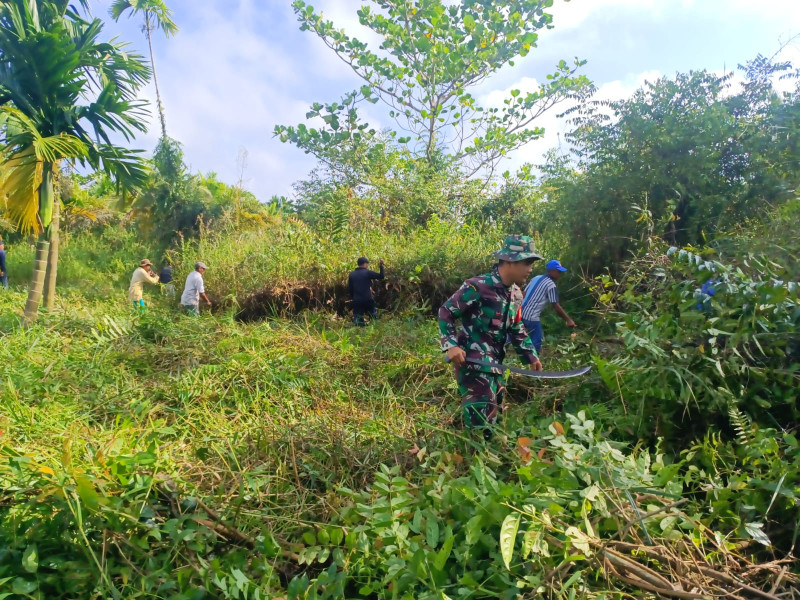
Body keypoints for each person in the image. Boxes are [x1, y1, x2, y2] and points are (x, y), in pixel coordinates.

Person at [439, 235, 543, 438]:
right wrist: (451, 345)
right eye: (527, 262)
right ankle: (475, 463)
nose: (531, 269)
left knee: (494, 414)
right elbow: (446, 312)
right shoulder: (478, 287)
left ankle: (483, 457)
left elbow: (516, 326)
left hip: (496, 365)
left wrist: (530, 355)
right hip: (472, 364)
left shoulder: (516, 294)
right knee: (481, 421)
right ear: (509, 261)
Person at [520, 259, 577, 354]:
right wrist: (568, 320)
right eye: (558, 271)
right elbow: (556, 305)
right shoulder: (551, 285)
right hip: (531, 317)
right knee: (537, 340)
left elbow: (524, 294)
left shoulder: (536, 278)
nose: (559, 274)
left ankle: (501, 348)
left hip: (520, 312)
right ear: (551, 271)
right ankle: (533, 361)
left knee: (513, 334)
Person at [348, 256, 384, 326]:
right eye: (367, 263)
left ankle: (360, 333)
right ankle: (375, 331)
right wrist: (381, 265)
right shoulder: (368, 273)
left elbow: (350, 288)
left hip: (357, 300)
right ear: (365, 264)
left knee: (358, 321)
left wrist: (354, 297)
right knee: (373, 317)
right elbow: (381, 276)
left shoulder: (352, 274)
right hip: (368, 299)